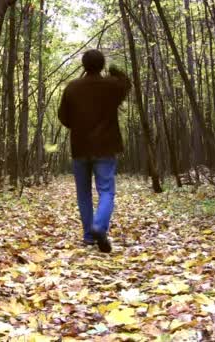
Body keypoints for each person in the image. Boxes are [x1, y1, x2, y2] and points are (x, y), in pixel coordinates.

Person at [57, 49, 132, 253]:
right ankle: (99, 226)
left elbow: (63, 117)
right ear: (102, 65)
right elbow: (127, 82)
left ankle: (89, 236)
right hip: (106, 147)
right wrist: (114, 69)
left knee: (83, 193)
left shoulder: (72, 87)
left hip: (80, 147)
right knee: (106, 190)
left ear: (83, 65)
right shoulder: (112, 86)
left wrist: (80, 125)